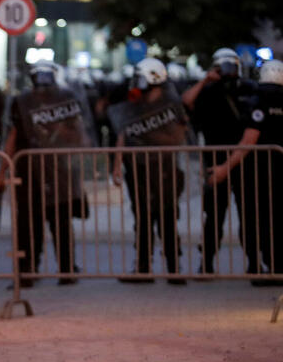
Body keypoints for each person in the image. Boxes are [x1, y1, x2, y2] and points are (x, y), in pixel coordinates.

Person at [0, 60, 96, 286]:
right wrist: (2, 171)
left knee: (60, 221)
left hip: (59, 171)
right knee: (30, 223)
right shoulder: (22, 103)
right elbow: (12, 137)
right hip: (30, 172)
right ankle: (29, 270)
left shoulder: (65, 101)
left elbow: (80, 134)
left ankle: (65, 268)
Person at [109, 58, 189, 284]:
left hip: (165, 167)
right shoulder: (134, 104)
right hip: (138, 168)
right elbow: (123, 133)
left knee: (167, 217)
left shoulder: (171, 105)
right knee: (142, 218)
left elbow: (180, 135)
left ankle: (174, 268)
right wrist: (117, 162)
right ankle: (143, 267)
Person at [181, 47, 259, 275]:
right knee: (214, 216)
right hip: (214, 161)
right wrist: (206, 79)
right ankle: (206, 262)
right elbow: (186, 101)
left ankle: (254, 263)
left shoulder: (247, 89)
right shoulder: (207, 90)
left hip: (245, 161)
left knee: (249, 215)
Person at [207, 59, 283, 285]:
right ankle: (277, 267)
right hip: (278, 173)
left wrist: (224, 168)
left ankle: (257, 266)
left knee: (254, 219)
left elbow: (249, 140)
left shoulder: (258, 101)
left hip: (257, 173)